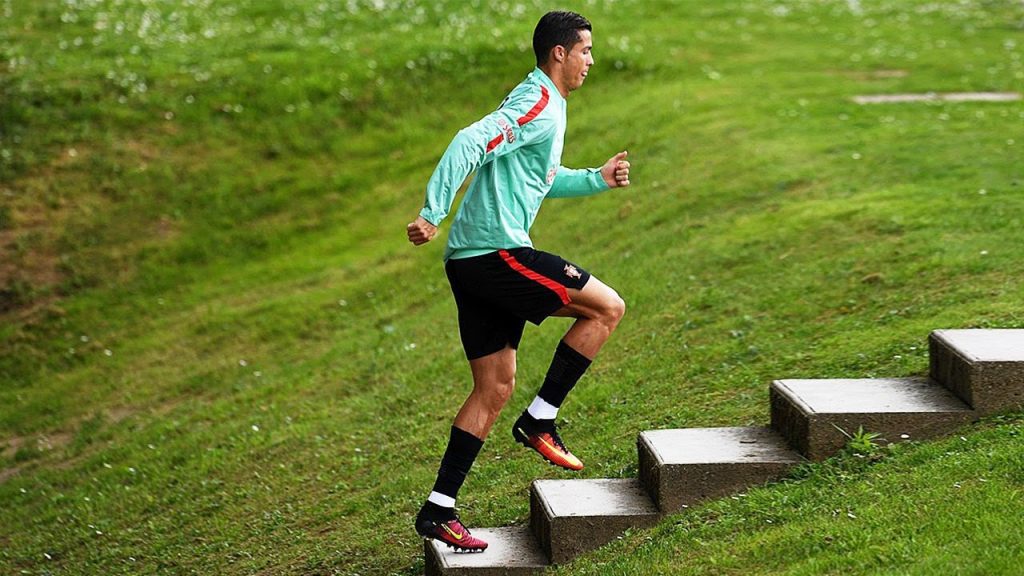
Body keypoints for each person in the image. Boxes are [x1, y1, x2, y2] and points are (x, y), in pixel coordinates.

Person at [406, 10, 631, 552]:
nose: (590, 62)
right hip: (495, 253)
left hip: (471, 260)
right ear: (559, 53)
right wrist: (433, 212)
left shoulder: (546, 105)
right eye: (585, 51)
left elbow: (541, 179)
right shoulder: (536, 102)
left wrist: (596, 180)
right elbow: (469, 141)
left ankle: (439, 509)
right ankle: (541, 421)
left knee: (494, 387)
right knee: (606, 307)